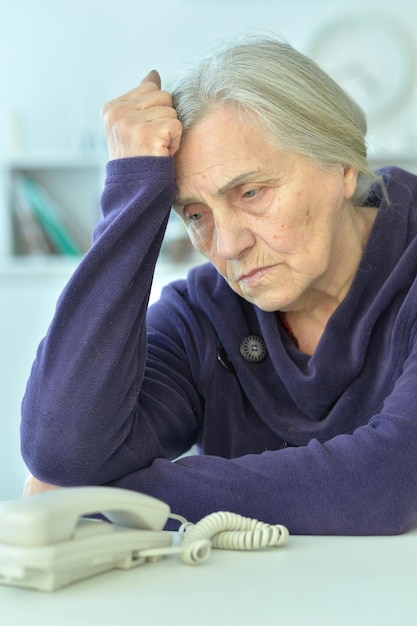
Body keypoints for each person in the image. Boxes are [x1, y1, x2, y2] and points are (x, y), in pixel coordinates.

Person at [20, 36, 417, 535]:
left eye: (251, 192)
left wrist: (106, 499)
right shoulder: (203, 314)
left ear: (341, 166)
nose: (227, 245)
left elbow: (384, 485)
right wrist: (133, 191)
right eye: (195, 214)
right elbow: (64, 449)